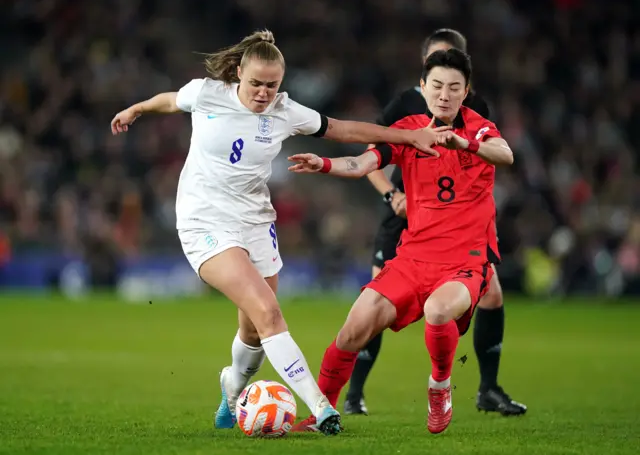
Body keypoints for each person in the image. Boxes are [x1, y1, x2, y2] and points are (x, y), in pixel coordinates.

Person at [110, 30, 442, 436]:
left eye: (272, 85)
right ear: (237, 74)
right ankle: (320, 408)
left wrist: (408, 136)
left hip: (255, 221)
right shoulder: (207, 93)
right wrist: (137, 109)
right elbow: (170, 100)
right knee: (268, 313)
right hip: (204, 222)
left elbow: (344, 130)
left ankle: (232, 388)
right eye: (256, 83)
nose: (264, 92)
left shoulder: (285, 111)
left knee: (252, 329)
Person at [288, 48, 513, 434]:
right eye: (437, 85)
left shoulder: (478, 129)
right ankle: (319, 415)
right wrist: (323, 164)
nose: (444, 94)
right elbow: (362, 164)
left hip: (463, 261)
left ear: (466, 91)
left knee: (439, 312)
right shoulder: (410, 131)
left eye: (454, 88)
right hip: (411, 259)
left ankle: (440, 386)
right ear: (423, 87)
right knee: (352, 329)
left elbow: (505, 155)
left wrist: (466, 146)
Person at [345, 28, 527, 417]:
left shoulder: (475, 110)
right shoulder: (405, 104)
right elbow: (372, 152)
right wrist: (392, 196)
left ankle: (487, 388)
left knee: (491, 293)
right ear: (424, 71)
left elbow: (487, 161)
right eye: (436, 64)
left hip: (458, 225)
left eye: (453, 68)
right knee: (376, 301)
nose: (445, 88)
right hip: (406, 213)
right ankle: (354, 393)